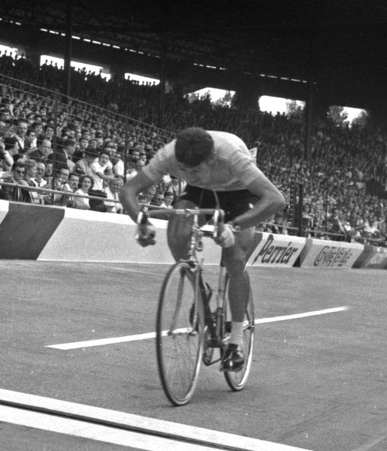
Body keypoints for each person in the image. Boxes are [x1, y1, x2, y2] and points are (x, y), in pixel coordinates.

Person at [120, 127, 286, 372]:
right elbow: (128, 191)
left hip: (239, 191)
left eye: (195, 169)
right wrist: (141, 221)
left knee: (235, 259)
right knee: (176, 232)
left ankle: (236, 341)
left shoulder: (231, 156)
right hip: (200, 193)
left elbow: (276, 199)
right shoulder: (168, 155)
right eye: (183, 170)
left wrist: (234, 225)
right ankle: (199, 289)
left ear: (211, 159)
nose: (189, 174)